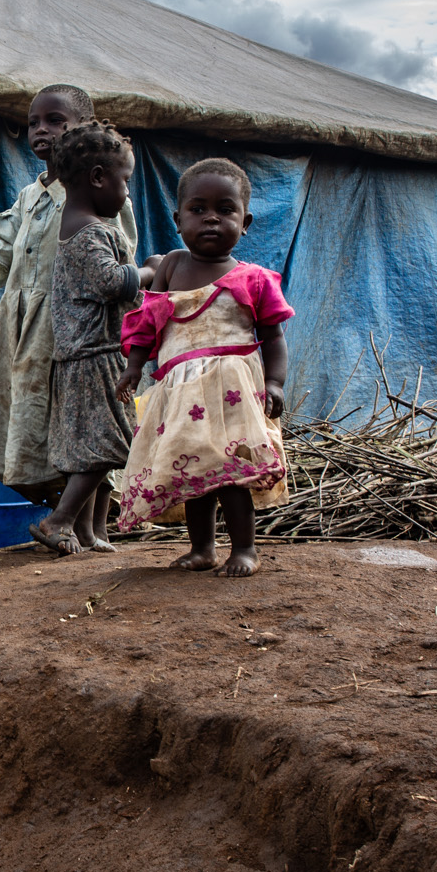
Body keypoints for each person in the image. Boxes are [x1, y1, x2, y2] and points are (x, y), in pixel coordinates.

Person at [0, 85, 139, 539]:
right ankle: (75, 525)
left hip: (71, 329)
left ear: (82, 129)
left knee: (86, 426)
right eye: (33, 122)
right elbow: (3, 243)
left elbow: (117, 261)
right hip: (24, 328)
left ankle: (93, 528)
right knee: (50, 427)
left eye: (55, 121)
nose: (41, 130)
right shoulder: (31, 194)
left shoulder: (97, 193)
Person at [113, 158, 293, 577]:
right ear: (178, 220)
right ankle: (202, 549)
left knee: (231, 473)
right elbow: (146, 324)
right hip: (181, 393)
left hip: (232, 395)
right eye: (198, 209)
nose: (211, 218)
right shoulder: (172, 266)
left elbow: (273, 337)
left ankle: (244, 549)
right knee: (192, 469)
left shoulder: (254, 279)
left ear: (245, 223)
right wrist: (133, 368)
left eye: (225, 210)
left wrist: (275, 382)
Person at [27, 123, 144, 557]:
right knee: (109, 443)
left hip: (83, 356)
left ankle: (90, 531)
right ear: (98, 178)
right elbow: (111, 283)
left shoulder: (75, 225)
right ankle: (58, 521)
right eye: (125, 182)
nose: (127, 193)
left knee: (90, 447)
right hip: (96, 356)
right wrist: (150, 272)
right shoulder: (92, 232)